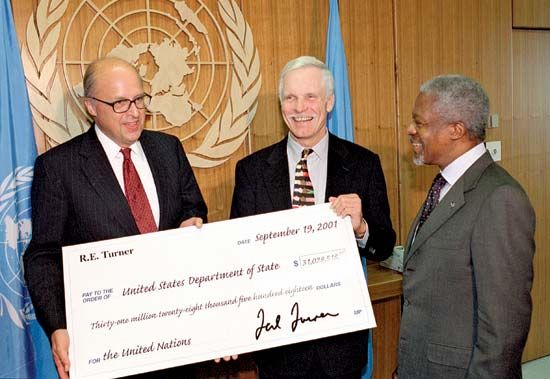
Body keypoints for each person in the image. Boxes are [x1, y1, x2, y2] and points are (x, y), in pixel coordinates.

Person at [23, 57, 207, 379]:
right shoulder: (59, 168)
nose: (134, 112)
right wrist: (58, 326)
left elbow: (194, 209)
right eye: (120, 103)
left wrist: (190, 224)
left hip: (179, 335)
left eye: (139, 99)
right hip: (108, 343)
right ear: (91, 106)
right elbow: (43, 256)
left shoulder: (169, 149)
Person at [230, 55, 396, 378]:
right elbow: (239, 255)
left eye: (310, 97)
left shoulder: (364, 164)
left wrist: (361, 227)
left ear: (330, 101)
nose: (299, 107)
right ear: (281, 105)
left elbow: (385, 244)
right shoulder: (250, 171)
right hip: (276, 340)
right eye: (290, 97)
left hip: (340, 345)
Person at [396, 75, 535, 378]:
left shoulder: (500, 198)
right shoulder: (444, 184)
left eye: (420, 123)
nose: (410, 130)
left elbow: (505, 326)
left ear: (456, 130)